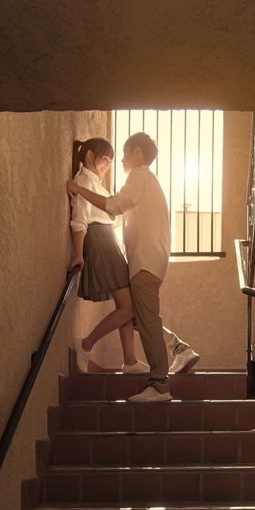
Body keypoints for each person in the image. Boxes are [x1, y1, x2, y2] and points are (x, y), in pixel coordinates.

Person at [67, 131, 199, 403]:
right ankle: (177, 349)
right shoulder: (146, 181)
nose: (121, 161)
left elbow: (114, 206)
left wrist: (79, 189)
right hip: (149, 261)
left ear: (137, 152)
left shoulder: (139, 176)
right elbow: (115, 214)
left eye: (124, 154)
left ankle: (161, 385)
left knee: (146, 319)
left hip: (146, 262)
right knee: (139, 315)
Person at [69, 138, 147, 374]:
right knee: (129, 306)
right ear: (90, 156)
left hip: (109, 244)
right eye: (105, 159)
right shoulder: (83, 181)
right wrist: (78, 254)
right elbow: (79, 221)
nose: (108, 165)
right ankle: (87, 344)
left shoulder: (97, 185)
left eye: (112, 161)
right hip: (100, 243)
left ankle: (130, 361)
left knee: (127, 304)